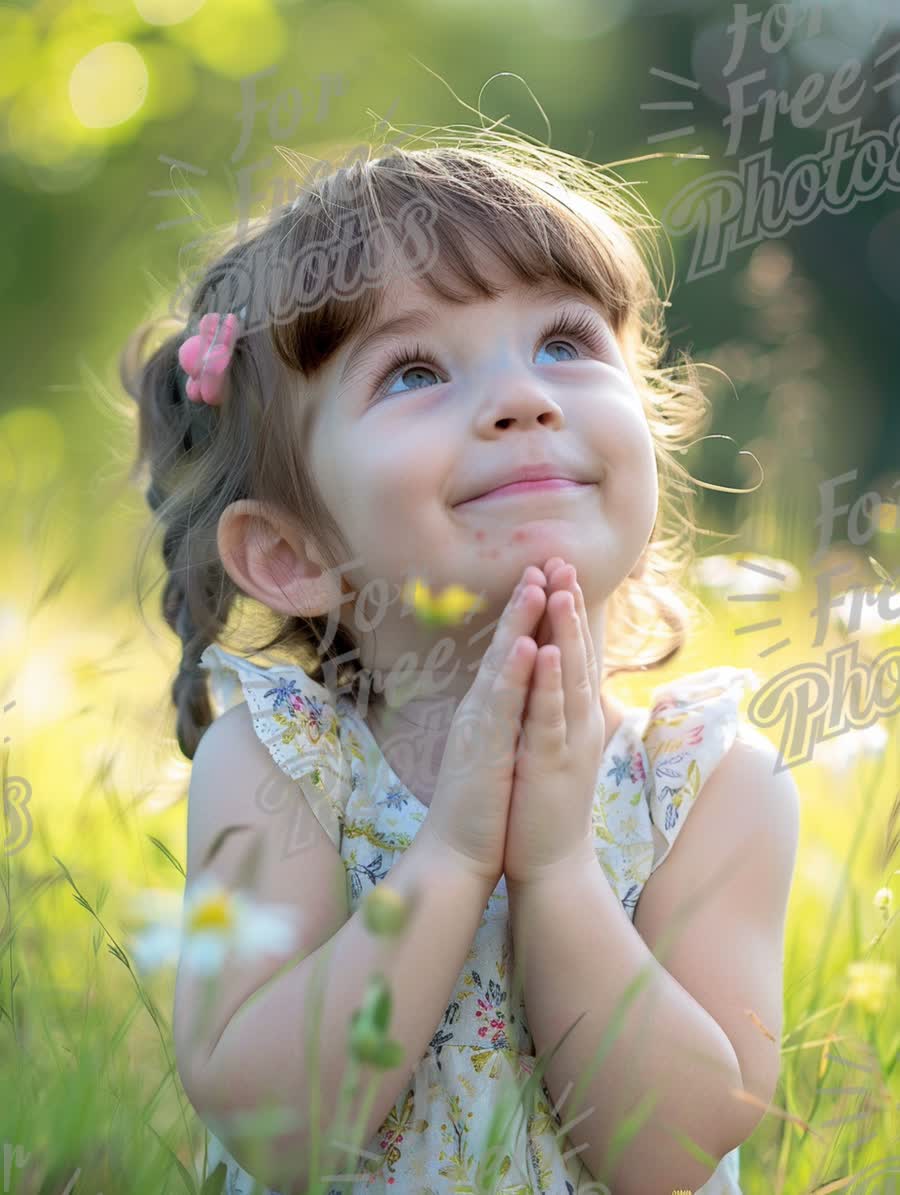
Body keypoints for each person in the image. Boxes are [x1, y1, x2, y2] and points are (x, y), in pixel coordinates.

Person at [120, 130, 799, 1195]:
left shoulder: (710, 780)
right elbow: (276, 1128)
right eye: (417, 369)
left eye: (567, 342)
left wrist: (558, 868)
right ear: (292, 553)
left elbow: (673, 1150)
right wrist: (451, 854)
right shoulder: (283, 768)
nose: (524, 397)